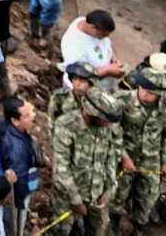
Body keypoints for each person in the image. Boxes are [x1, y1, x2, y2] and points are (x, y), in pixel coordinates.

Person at [54, 89, 125, 236]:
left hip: (97, 195)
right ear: (94, 113)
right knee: (61, 230)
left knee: (99, 230)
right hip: (69, 196)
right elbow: (61, 166)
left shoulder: (104, 127)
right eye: (107, 119)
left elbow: (110, 157)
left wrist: (110, 189)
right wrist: (75, 200)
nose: (109, 123)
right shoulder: (66, 126)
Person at [116, 67, 166, 236]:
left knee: (147, 196)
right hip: (125, 156)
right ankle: (113, 227)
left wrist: (165, 163)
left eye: (150, 92)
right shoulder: (122, 100)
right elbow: (112, 131)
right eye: (142, 88)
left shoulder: (164, 111)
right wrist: (124, 157)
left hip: (150, 160)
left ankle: (139, 228)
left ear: (159, 95)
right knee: (118, 194)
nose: (144, 94)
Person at [0, 98, 40, 236]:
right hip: (17, 196)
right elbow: (19, 179)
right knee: (14, 228)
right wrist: (24, 196)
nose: (32, 116)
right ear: (14, 120)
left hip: (15, 188)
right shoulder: (15, 148)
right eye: (26, 116)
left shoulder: (4, 125)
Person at [60, 10, 125, 81]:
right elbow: (81, 76)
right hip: (95, 81)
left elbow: (108, 42)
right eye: (104, 35)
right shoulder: (75, 48)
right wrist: (108, 71)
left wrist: (114, 59)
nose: (106, 37)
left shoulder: (85, 21)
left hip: (108, 69)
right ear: (92, 27)